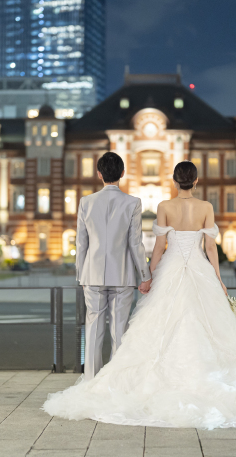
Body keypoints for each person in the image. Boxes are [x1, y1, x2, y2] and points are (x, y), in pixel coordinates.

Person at [43, 161, 236, 429]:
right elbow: (210, 248)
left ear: (175, 181)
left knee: (153, 327)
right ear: (195, 181)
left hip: (170, 270)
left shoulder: (165, 207)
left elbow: (160, 248)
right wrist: (218, 280)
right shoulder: (206, 207)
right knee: (210, 326)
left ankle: (104, 380)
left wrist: (149, 276)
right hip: (200, 271)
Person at [72, 152, 149, 380]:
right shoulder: (133, 203)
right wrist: (144, 275)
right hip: (122, 275)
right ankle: (115, 384)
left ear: (99, 174)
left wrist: (81, 274)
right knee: (120, 332)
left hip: (92, 275)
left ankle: (90, 383)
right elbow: (135, 243)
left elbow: (81, 243)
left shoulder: (86, 202)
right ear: (122, 174)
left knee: (93, 330)